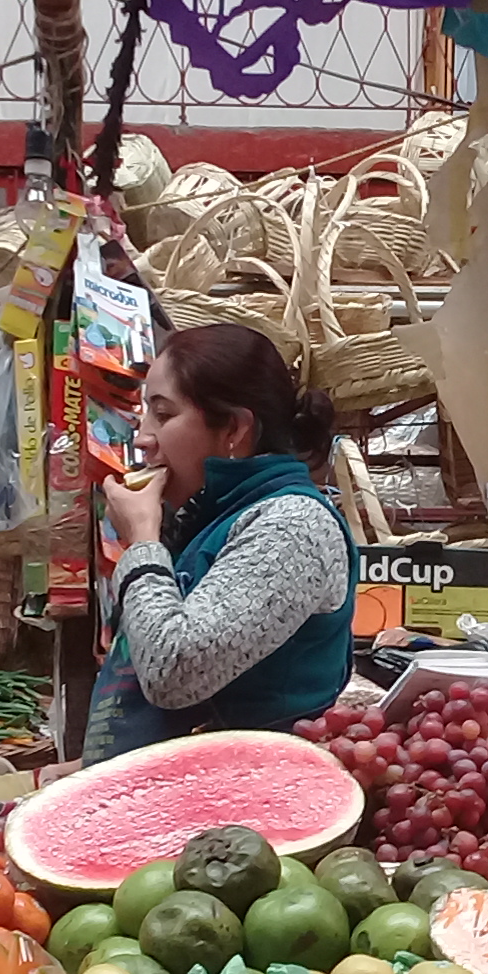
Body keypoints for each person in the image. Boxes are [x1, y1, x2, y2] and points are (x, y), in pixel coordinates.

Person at [83, 324, 356, 761]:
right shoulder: (211, 517)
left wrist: (142, 542)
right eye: (145, 413)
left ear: (233, 428)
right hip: (172, 785)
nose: (142, 437)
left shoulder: (293, 526)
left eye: (163, 415)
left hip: (248, 791)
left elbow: (175, 673)